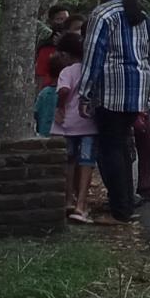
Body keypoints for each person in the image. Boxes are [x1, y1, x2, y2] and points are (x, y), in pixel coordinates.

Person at [79, 0, 150, 225]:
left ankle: (120, 209)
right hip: (136, 88)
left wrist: (85, 93)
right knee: (123, 146)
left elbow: (93, 57)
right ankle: (126, 203)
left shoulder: (103, 13)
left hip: (111, 89)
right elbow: (146, 52)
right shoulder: (140, 13)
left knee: (110, 149)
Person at [50, 32, 98, 224]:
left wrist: (60, 106)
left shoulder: (67, 71)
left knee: (69, 162)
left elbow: (63, 90)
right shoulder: (91, 70)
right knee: (87, 163)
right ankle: (81, 205)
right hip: (89, 124)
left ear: (67, 55)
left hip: (68, 125)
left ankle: (68, 199)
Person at [34, 3, 71, 91]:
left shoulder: (76, 44)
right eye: (59, 19)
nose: (64, 23)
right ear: (51, 21)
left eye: (66, 19)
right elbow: (41, 76)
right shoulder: (46, 46)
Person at [34, 57, 61, 136]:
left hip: (44, 133)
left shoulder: (44, 93)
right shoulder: (67, 93)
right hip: (60, 135)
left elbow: (36, 112)